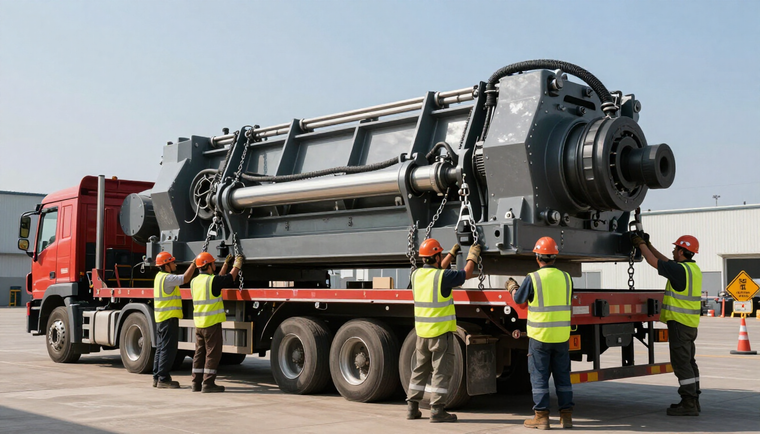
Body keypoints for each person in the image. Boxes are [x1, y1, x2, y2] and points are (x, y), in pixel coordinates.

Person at [406, 239, 480, 423]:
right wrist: (473, 255)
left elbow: (436, 272)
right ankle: (437, 411)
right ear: (436, 256)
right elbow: (467, 273)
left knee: (420, 370)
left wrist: (450, 255)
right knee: (441, 372)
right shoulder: (443, 278)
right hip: (440, 334)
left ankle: (412, 408)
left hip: (422, 334)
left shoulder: (415, 275)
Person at [631, 232, 702, 416]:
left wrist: (640, 245)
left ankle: (688, 403)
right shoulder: (692, 269)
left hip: (679, 324)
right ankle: (694, 400)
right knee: (690, 362)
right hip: (690, 325)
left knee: (681, 364)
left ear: (681, 251)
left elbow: (654, 262)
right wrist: (648, 244)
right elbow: (664, 261)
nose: (673, 250)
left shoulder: (679, 271)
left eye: (675, 248)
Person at [507, 236, 574, 430]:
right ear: (555, 257)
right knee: (563, 376)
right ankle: (566, 416)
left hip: (540, 337)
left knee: (539, 376)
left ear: (537, 257)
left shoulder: (533, 277)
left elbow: (519, 300)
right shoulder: (566, 277)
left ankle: (542, 417)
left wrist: (512, 287)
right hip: (561, 336)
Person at [190, 252, 243, 393]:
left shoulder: (195, 281)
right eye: (213, 263)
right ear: (208, 265)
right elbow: (229, 278)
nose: (215, 265)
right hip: (211, 324)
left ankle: (196, 383)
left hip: (199, 324)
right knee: (212, 354)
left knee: (199, 354)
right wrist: (237, 265)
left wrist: (226, 264)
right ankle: (208, 383)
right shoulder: (211, 281)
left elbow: (218, 279)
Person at [152, 251, 197, 389]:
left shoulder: (159, 277)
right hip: (168, 319)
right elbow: (185, 279)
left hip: (161, 318)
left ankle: (157, 377)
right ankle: (164, 379)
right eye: (172, 262)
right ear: (166, 265)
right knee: (168, 349)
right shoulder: (167, 278)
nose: (174, 264)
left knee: (161, 348)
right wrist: (194, 264)